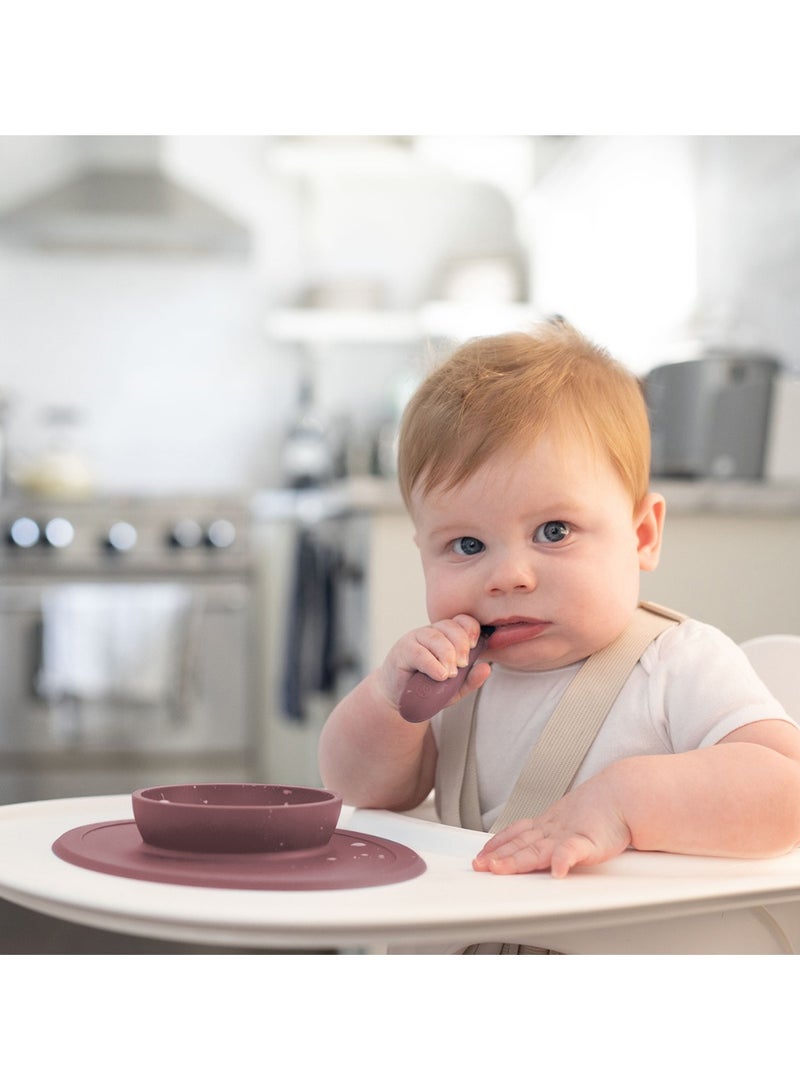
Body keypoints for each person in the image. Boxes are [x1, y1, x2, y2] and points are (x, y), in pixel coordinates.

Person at [318, 321, 800, 885]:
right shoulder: (457, 676)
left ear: (642, 535)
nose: (510, 577)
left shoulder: (679, 664)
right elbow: (359, 792)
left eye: (553, 531)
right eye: (467, 545)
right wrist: (386, 700)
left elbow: (785, 793)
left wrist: (626, 802)